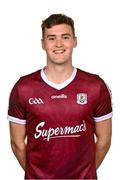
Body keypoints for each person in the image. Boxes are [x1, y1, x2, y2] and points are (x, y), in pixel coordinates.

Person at [8, 14, 112, 179]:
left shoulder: (95, 86)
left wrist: (84, 174)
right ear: (43, 44)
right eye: (51, 38)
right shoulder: (23, 88)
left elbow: (104, 141)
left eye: (65, 37)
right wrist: (38, 175)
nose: (58, 44)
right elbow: (17, 144)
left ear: (75, 41)